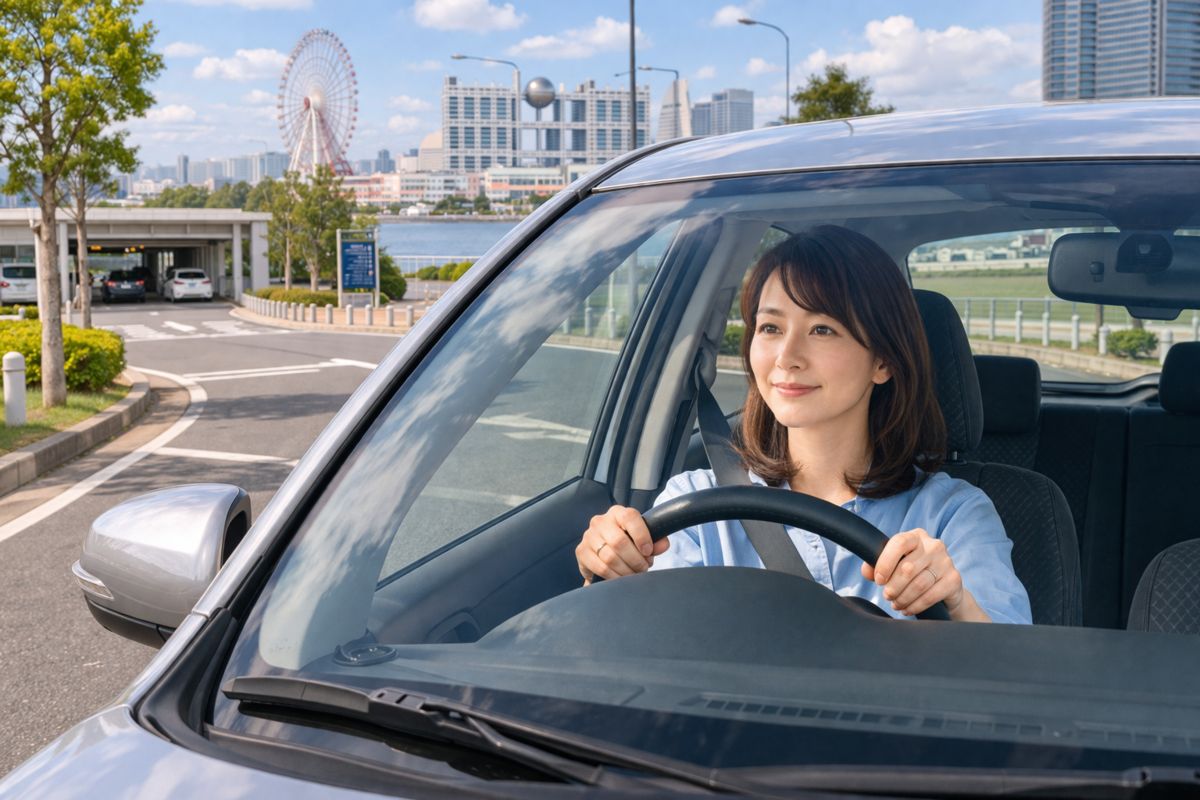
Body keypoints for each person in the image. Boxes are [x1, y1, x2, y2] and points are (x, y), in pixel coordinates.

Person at [575, 225, 1032, 624]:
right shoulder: (693, 508)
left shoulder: (951, 516)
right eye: (770, 328)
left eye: (822, 330)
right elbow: (644, 654)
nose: (786, 358)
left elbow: (1018, 674)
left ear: (884, 361)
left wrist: (954, 601)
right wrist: (613, 571)